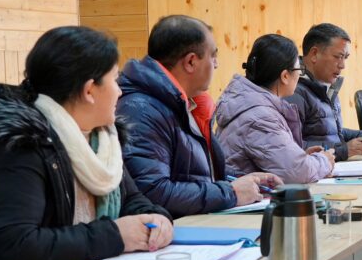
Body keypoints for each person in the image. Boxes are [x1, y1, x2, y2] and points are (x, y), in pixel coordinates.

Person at [0, 26, 174, 260]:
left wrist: (156, 218)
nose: (120, 91)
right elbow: (17, 246)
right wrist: (117, 235)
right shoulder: (20, 144)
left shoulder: (102, 138)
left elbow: (132, 200)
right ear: (90, 90)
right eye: (115, 78)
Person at [117, 15, 280, 218]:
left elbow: (192, 177)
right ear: (191, 62)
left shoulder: (182, 103)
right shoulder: (142, 110)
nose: (217, 64)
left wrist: (240, 183)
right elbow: (151, 192)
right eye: (213, 56)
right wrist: (230, 192)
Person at [215, 34, 336, 183]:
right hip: (255, 202)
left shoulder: (251, 105)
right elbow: (297, 172)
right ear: (285, 76)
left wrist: (301, 155)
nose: (300, 74)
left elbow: (276, 159)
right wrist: (324, 161)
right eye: (299, 68)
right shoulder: (259, 117)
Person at [288, 23, 362, 162]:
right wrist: (343, 151)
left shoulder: (327, 87)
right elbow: (291, 149)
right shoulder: (293, 92)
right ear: (314, 54)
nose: (342, 65)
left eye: (345, 57)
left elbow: (335, 133)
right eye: (338, 56)